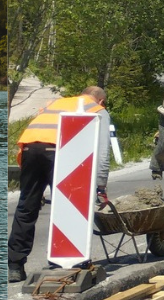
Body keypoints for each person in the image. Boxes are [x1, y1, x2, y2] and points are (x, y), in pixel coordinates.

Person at [8, 86, 108, 283]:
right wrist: (101, 185)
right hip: (57, 151)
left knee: (27, 207)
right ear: (101, 101)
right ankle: (63, 261)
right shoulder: (97, 110)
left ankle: (15, 266)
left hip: (29, 149)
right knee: (67, 206)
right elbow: (103, 152)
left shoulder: (56, 103)